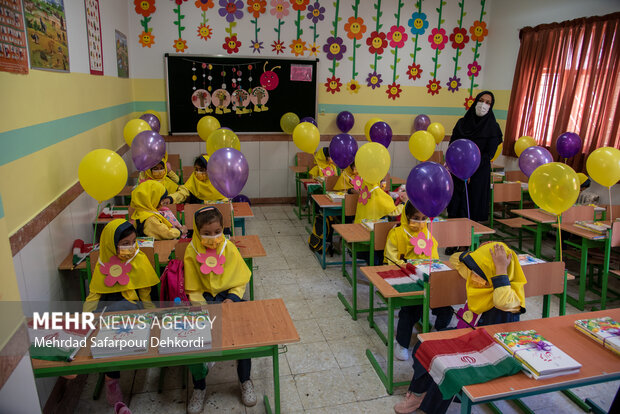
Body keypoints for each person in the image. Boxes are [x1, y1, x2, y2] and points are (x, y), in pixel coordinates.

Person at [394, 242, 526, 414]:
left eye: (479, 274)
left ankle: (429, 409)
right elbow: (457, 260)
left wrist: (500, 269)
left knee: (446, 366)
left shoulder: (511, 298)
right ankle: (418, 394)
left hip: (489, 352)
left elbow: (502, 300)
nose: (473, 278)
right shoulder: (481, 286)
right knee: (424, 344)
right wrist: (477, 253)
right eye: (474, 273)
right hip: (468, 338)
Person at [184, 207, 255, 413]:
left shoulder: (229, 248)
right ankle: (199, 387)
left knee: (243, 331)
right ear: (198, 232)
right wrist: (204, 309)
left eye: (217, 231)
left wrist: (233, 298)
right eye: (207, 233)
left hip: (228, 297)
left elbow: (240, 279)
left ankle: (245, 379)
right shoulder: (191, 250)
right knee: (194, 335)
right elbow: (193, 288)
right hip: (203, 299)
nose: (213, 237)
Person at [83, 220, 159, 405]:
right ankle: (111, 380)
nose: (131, 247)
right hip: (109, 312)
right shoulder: (104, 262)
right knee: (109, 337)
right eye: (125, 244)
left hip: (135, 311)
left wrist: (155, 317)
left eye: (134, 242)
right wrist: (85, 320)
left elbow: (146, 296)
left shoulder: (139, 259)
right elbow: (93, 297)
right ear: (111, 244)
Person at [384, 202, 453, 361]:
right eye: (415, 218)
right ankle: (401, 343)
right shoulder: (397, 234)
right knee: (410, 310)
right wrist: (411, 266)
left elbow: (434, 259)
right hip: (406, 279)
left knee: (446, 308)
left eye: (423, 218)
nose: (420, 222)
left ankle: (436, 333)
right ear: (407, 217)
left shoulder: (428, 235)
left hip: (428, 280)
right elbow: (390, 260)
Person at [446, 91, 502, 253]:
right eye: (481, 100)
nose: (483, 105)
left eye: (488, 102)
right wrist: (456, 167)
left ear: (491, 106)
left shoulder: (492, 127)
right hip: (457, 172)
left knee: (469, 210)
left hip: (477, 175)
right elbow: (452, 146)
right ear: (475, 102)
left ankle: (464, 244)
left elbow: (488, 154)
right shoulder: (462, 123)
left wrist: (471, 170)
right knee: (455, 208)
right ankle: (451, 241)